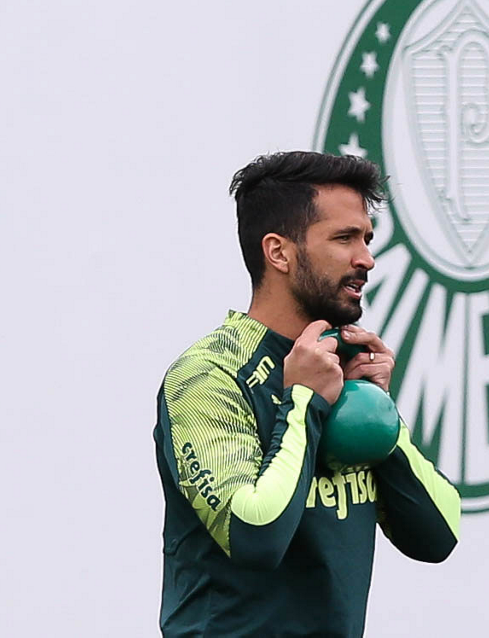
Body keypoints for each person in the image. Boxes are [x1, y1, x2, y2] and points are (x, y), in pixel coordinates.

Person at [152, 151, 460, 637]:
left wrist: (380, 416)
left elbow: (438, 536)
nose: (366, 259)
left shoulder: (347, 372)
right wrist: (302, 402)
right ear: (279, 253)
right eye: (344, 238)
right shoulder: (208, 375)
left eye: (367, 239)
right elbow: (255, 536)